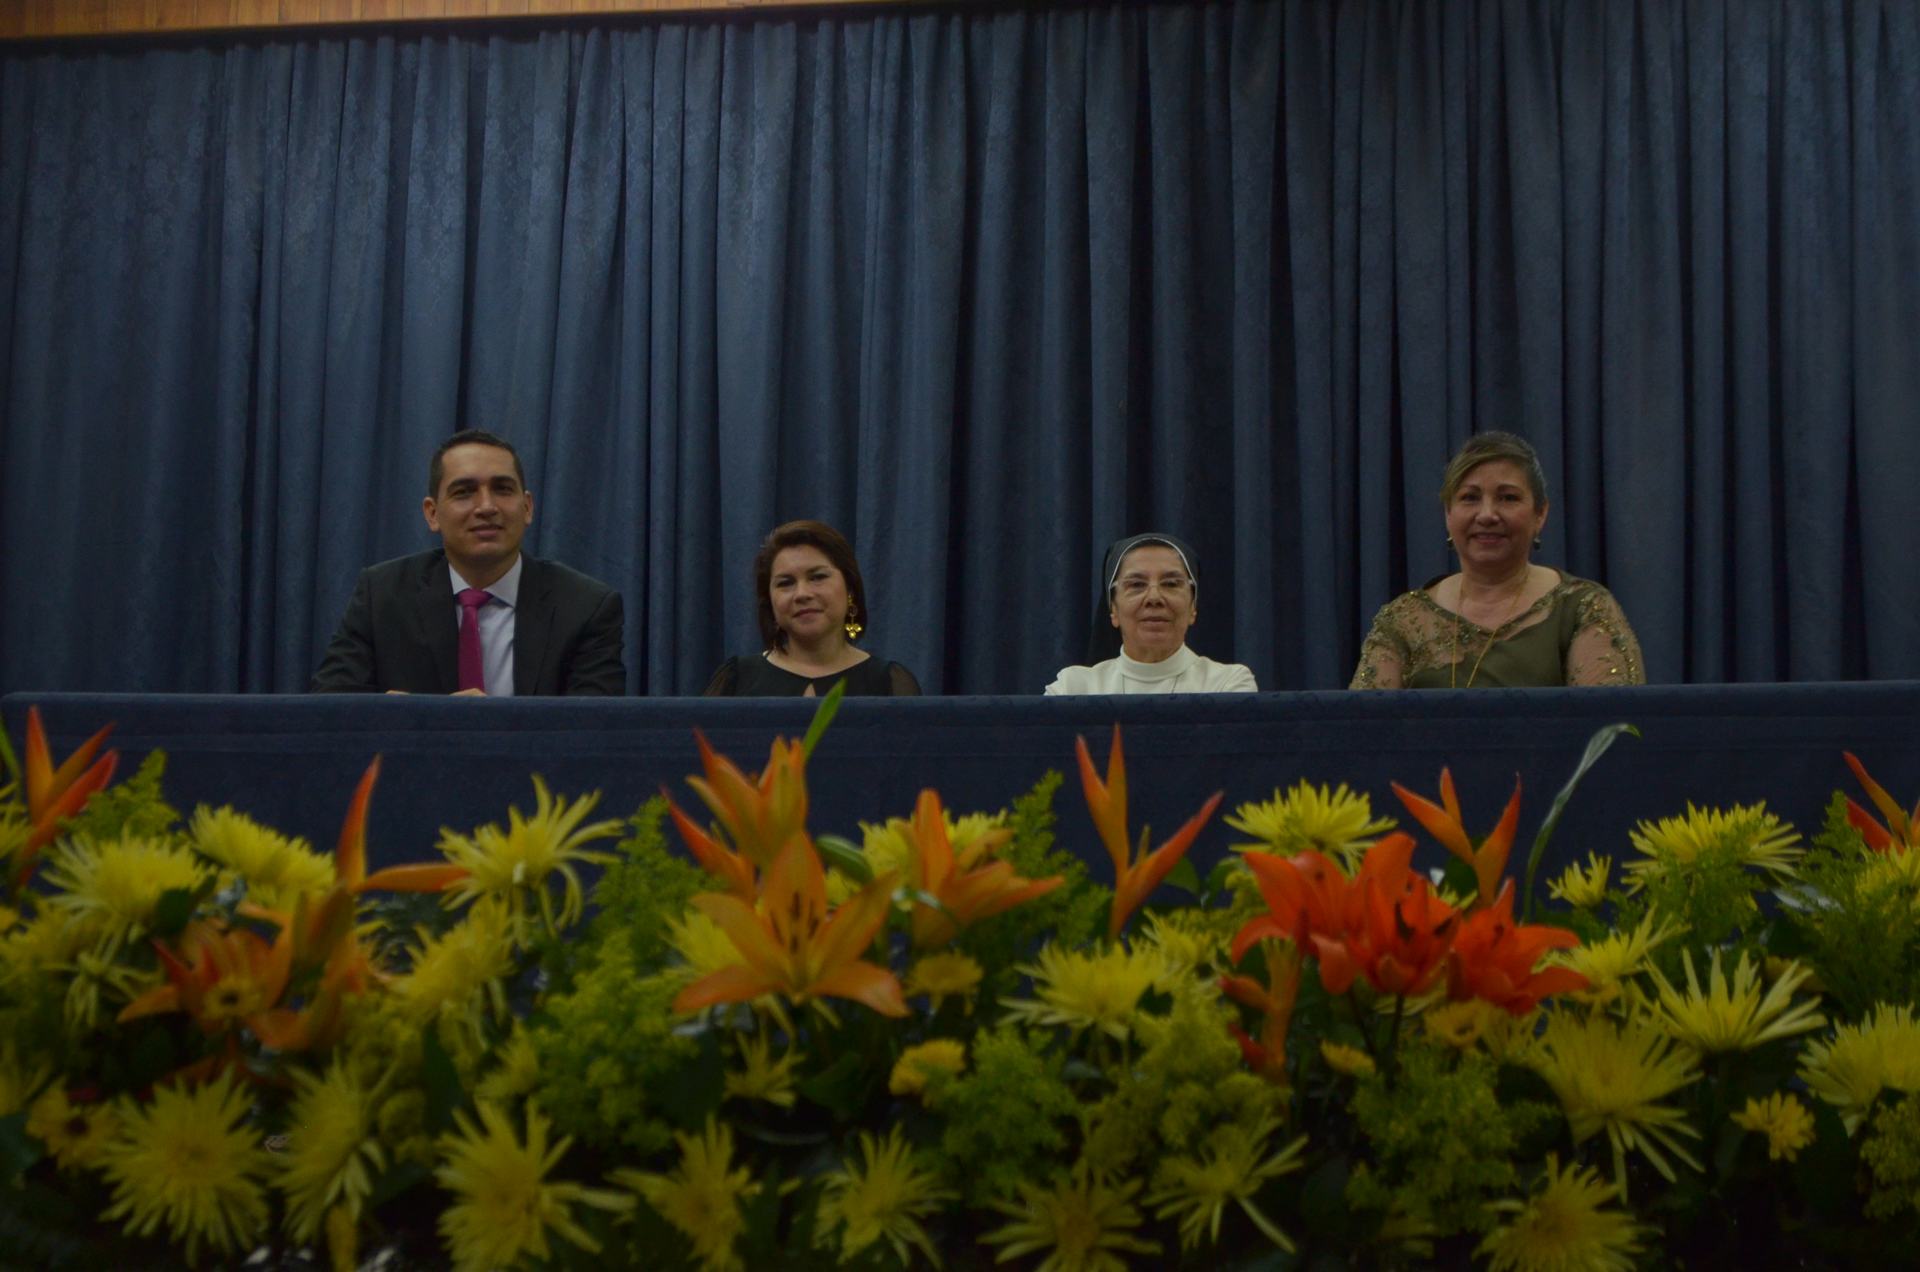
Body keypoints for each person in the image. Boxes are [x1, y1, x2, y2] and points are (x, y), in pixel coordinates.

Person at [310, 430, 625, 695]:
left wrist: (486, 727)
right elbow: (331, 711)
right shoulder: (382, 595)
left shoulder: (586, 607)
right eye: (464, 492)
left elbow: (592, 735)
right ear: (432, 514)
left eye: (502, 489)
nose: (486, 506)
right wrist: (396, 719)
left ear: (527, 507)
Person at [1350, 431, 1644, 689]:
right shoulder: (1402, 620)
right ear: (1448, 515)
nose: (1487, 514)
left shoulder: (1584, 608)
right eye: (1469, 498)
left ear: (1540, 514)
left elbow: (1609, 731)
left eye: (1508, 498)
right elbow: (1362, 733)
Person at [703, 520, 920, 697]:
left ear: (850, 589)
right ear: (769, 602)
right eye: (785, 583)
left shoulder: (890, 685)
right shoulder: (736, 681)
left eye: (818, 577)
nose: (802, 594)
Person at [1045, 533, 1257, 694]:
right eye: (1136, 584)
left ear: (1193, 607)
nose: (1154, 597)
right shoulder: (1073, 689)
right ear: (1113, 610)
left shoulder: (1227, 685)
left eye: (1171, 584)